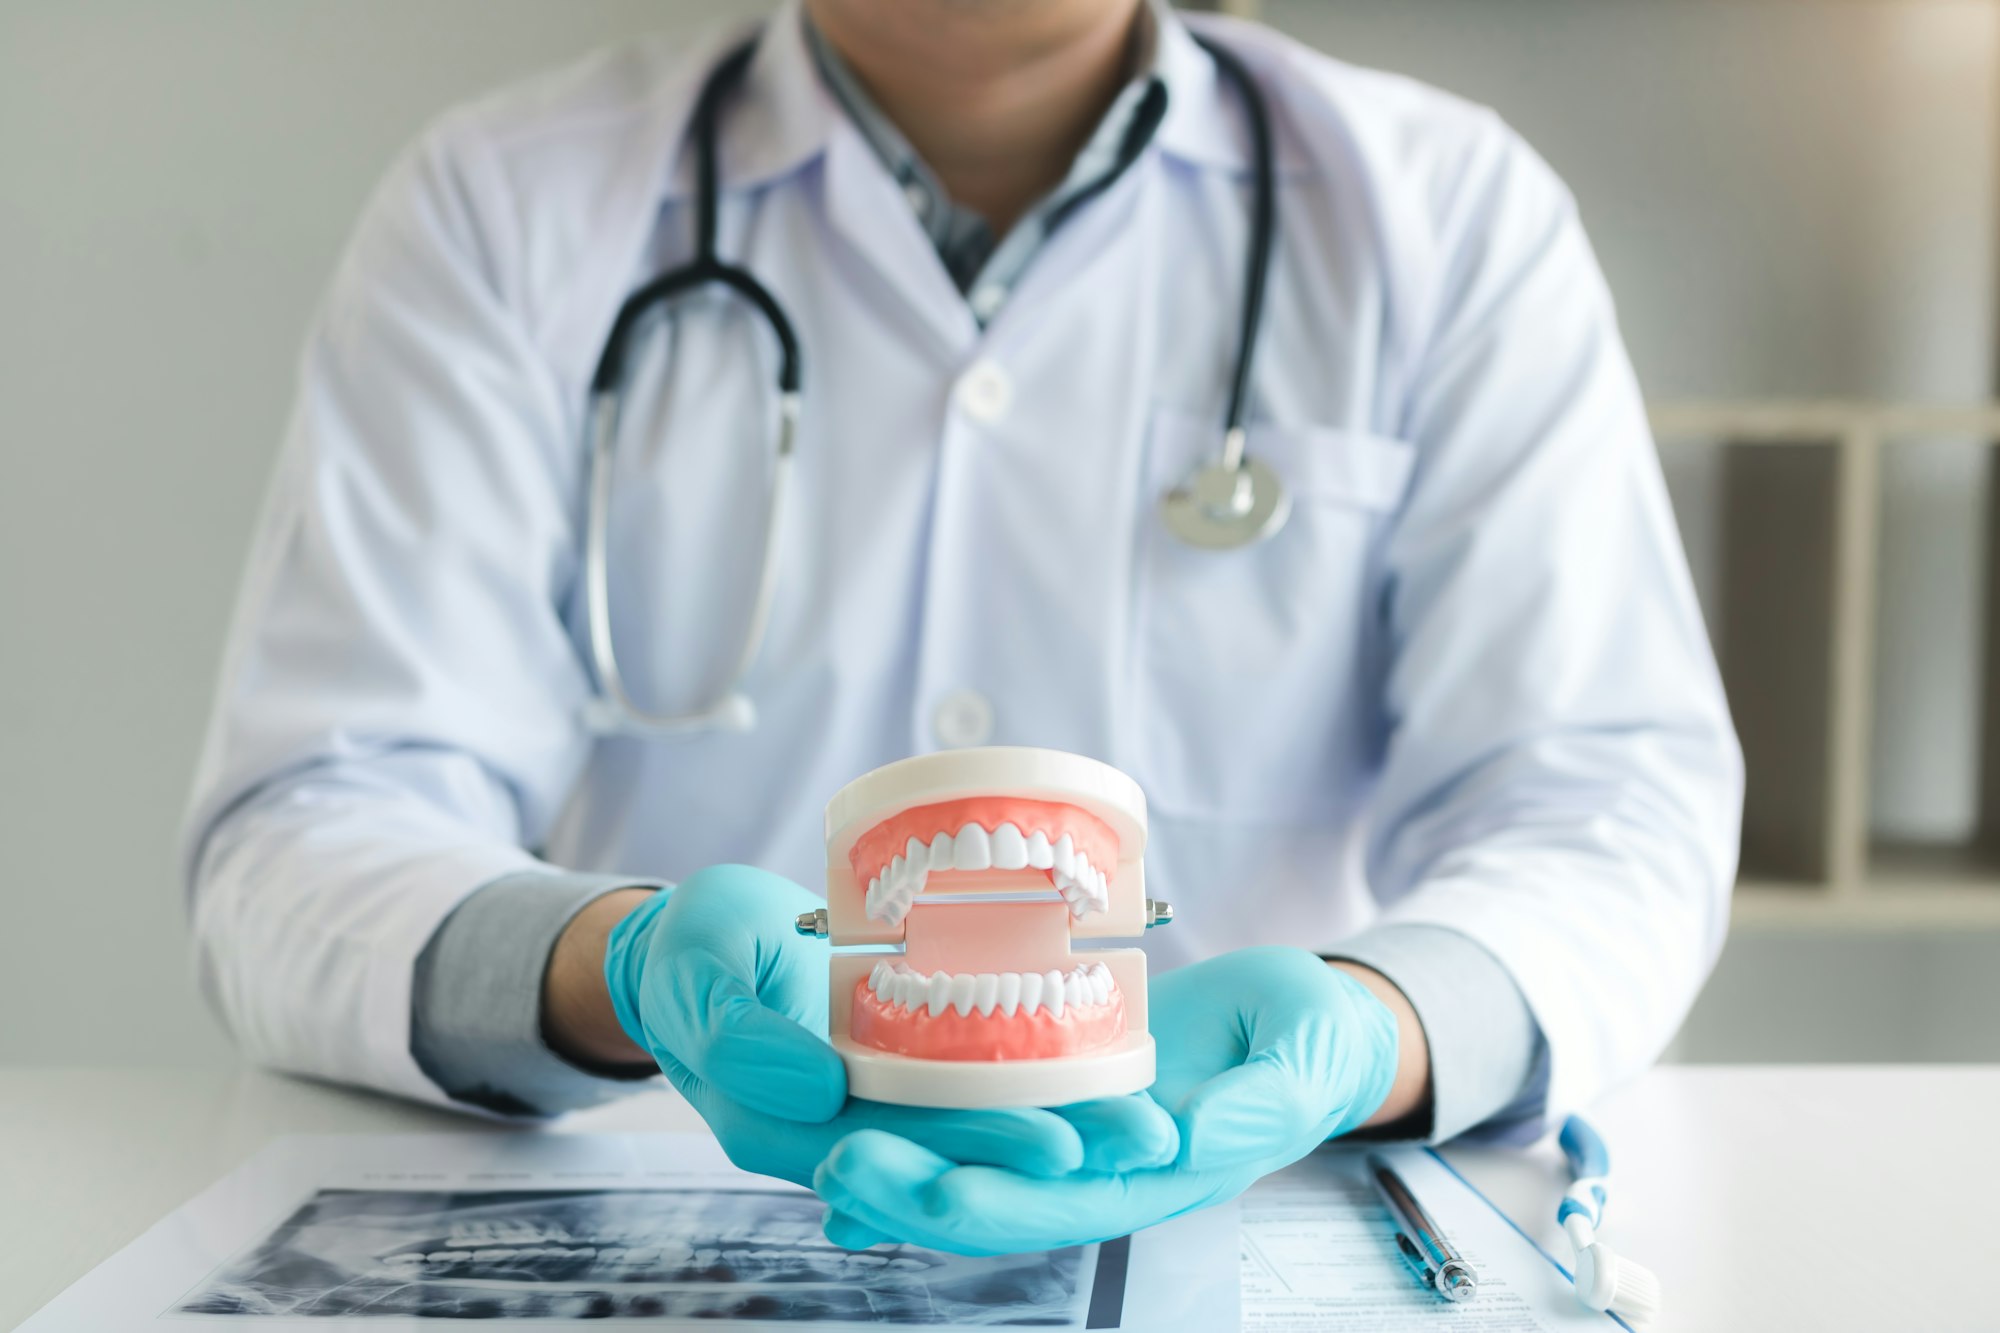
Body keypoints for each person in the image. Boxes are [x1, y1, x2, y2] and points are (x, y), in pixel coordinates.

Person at [183, 0, 1742, 1255]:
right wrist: (622, 965)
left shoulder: (1451, 217)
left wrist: (1369, 1027)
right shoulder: (503, 204)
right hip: (676, 1214)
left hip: (1258, 1226)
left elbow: (1608, 808)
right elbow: (306, 833)